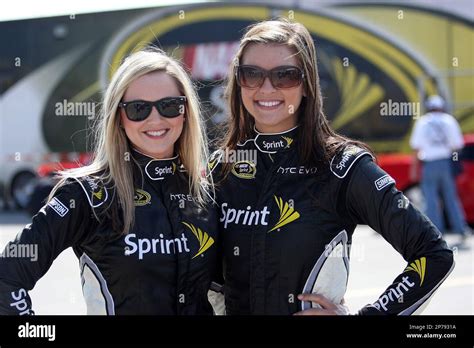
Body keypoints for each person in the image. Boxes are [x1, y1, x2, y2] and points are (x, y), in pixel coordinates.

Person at [209, 19, 454, 315]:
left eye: (285, 75)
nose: (267, 87)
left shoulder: (342, 167)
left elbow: (434, 254)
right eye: (252, 74)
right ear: (238, 81)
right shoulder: (221, 167)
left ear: (308, 84)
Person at [0, 49, 218, 315]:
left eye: (169, 106)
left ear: (185, 112)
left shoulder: (204, 194)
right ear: (119, 118)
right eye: (138, 109)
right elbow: (6, 278)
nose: (156, 119)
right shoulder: (86, 195)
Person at [410, 95, 469, 245]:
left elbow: (416, 147)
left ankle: (435, 232)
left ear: (429, 107)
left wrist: (415, 168)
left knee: (430, 199)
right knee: (451, 197)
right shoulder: (449, 120)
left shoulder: (423, 122)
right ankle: (461, 229)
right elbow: (457, 145)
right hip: (445, 163)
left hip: (429, 164)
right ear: (442, 107)